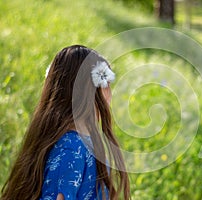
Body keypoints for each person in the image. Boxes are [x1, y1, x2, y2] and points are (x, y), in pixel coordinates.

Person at [1, 45, 130, 200]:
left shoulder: (79, 142)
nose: (110, 92)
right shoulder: (71, 148)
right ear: (87, 90)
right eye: (105, 83)